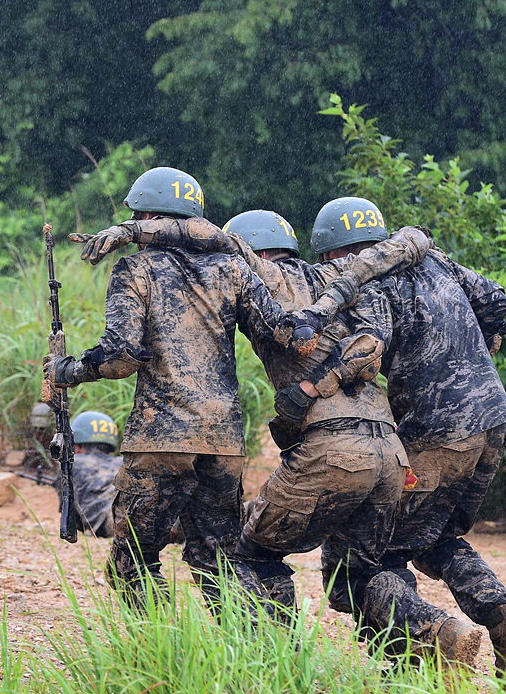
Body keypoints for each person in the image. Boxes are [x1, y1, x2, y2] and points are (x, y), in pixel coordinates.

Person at [77, 207, 431, 617]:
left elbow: (202, 233)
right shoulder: (342, 273)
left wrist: (132, 230)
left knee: (245, 553)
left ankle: (255, 655)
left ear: (254, 255)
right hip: (391, 449)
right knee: (364, 574)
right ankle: (436, 630)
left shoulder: (254, 270)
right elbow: (410, 240)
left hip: (328, 447)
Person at [43, 167, 312, 608]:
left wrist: (66, 370)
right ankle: (259, 656)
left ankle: (161, 656)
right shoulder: (233, 269)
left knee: (131, 563)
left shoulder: (137, 268)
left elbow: (121, 357)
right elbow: (280, 331)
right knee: (219, 563)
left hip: (161, 437)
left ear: (146, 215)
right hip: (223, 441)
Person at [303, 197, 506, 676]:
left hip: (436, 437)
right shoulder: (432, 260)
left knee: (366, 561)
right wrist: (481, 351)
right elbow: (495, 299)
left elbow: (366, 355)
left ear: (333, 254)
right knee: (436, 536)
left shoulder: (366, 280)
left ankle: (440, 635)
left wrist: (309, 390)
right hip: (492, 425)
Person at [67, 410, 122, 539]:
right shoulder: (122, 462)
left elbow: (70, 516)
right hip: (143, 512)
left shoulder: (73, 463)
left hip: (113, 520)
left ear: (77, 446)